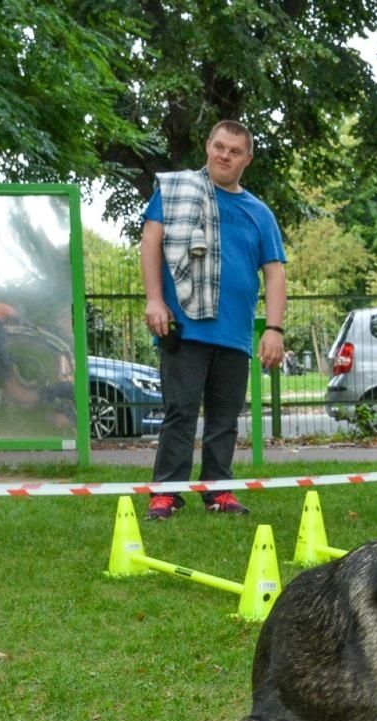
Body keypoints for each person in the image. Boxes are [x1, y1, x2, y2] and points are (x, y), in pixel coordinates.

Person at [141, 119, 287, 519]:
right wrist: (155, 299)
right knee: (180, 412)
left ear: (248, 159)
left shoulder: (259, 213)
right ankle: (166, 492)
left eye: (234, 151)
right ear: (207, 147)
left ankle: (218, 491)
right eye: (219, 147)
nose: (224, 155)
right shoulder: (176, 191)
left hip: (235, 336)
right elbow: (151, 240)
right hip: (184, 327)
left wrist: (273, 329)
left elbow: (275, 273)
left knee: (225, 418)